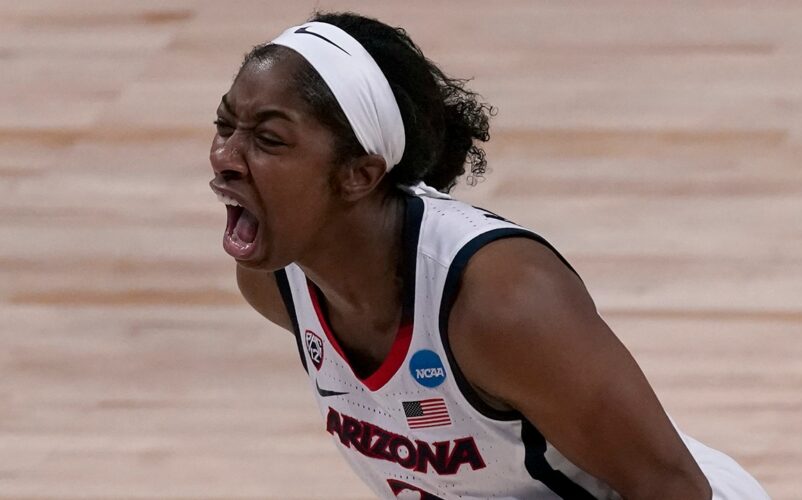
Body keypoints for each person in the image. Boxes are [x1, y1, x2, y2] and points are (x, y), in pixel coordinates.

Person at [208, 11, 769, 500]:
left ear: (360, 174)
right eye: (225, 124)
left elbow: (672, 487)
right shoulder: (275, 283)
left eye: (269, 139)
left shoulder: (501, 299)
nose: (226, 157)